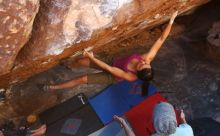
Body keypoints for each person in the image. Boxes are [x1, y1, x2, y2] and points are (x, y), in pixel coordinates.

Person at [43, 11, 178, 96]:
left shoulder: (130, 76)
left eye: (142, 65)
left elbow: (108, 69)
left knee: (82, 79)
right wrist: (172, 19)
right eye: (146, 64)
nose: (143, 62)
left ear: (137, 72)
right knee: (81, 61)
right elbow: (161, 39)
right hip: (113, 61)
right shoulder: (147, 59)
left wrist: (91, 56)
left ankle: (54, 87)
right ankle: (71, 66)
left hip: (112, 75)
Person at [114, 102, 194, 136]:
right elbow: (185, 126)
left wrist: (123, 123)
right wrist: (183, 118)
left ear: (154, 124)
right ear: (174, 119)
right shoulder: (188, 131)